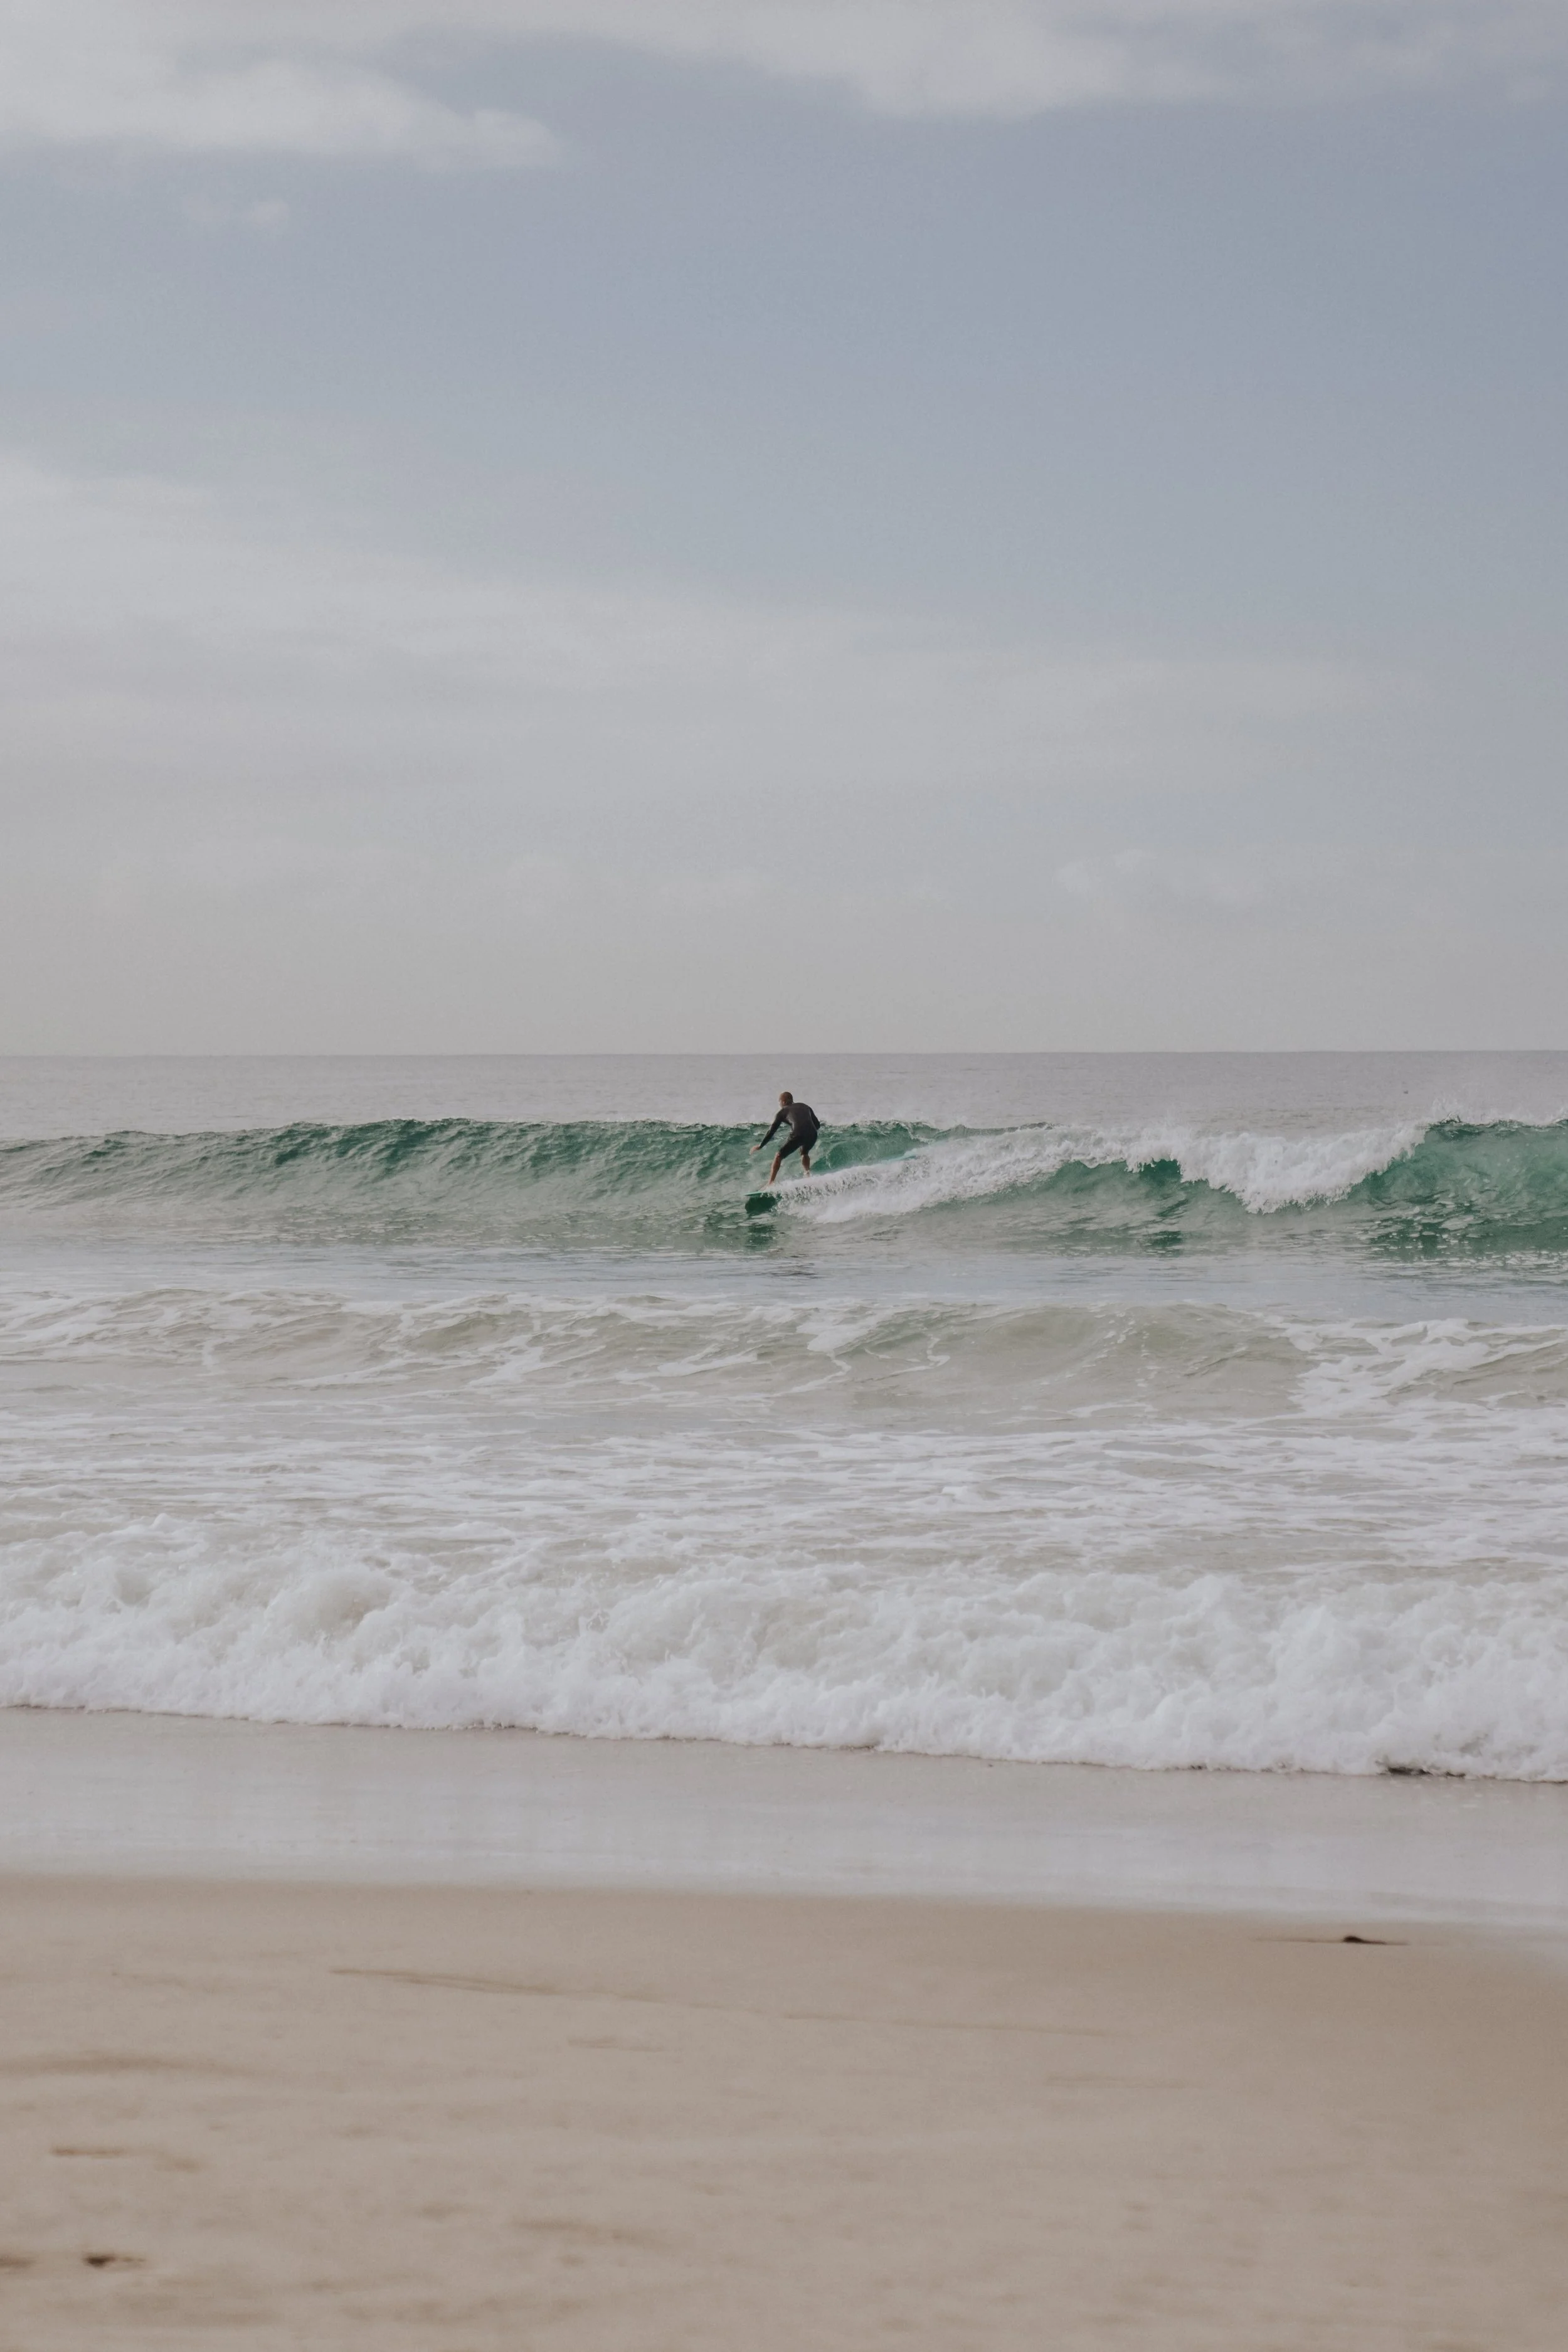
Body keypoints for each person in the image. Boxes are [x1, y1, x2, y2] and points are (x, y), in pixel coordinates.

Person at [751, 1091, 821, 1185]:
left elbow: (771, 1131)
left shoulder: (782, 1112)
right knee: (804, 1152)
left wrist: (761, 1145)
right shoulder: (805, 1106)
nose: (779, 1104)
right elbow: (817, 1125)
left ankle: (770, 1183)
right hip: (813, 1134)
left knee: (778, 1156)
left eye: (779, 1102)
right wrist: (808, 1133)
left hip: (798, 1134)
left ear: (783, 1102)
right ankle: (808, 1175)